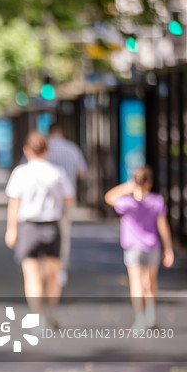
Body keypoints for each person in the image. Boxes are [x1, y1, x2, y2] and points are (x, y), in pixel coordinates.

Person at [4, 132, 75, 329]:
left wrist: (11, 230)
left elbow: (13, 203)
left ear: (27, 150)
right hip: (52, 226)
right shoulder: (57, 172)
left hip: (28, 228)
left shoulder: (20, 172)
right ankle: (51, 311)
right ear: (47, 151)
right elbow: (69, 199)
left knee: (32, 275)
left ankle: (38, 318)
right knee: (53, 274)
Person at [104, 165, 174, 329]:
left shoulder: (127, 203)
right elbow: (163, 226)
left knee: (136, 283)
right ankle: (151, 315)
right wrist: (168, 249)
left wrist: (127, 186)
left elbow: (109, 197)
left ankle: (140, 318)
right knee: (150, 282)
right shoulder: (157, 201)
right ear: (150, 182)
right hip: (152, 246)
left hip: (132, 248)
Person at [45, 122, 88, 285]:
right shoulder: (72, 148)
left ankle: (45, 268)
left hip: (45, 203)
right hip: (66, 201)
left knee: (44, 233)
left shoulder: (43, 148)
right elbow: (82, 172)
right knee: (63, 236)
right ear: (62, 131)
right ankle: (59, 270)